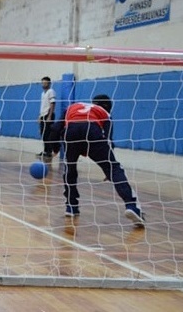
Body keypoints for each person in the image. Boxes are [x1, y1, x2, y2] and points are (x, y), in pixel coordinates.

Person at [60, 94, 144, 227]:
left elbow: (55, 128)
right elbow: (108, 140)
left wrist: (51, 150)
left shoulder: (73, 107)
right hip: (92, 131)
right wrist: (108, 168)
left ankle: (71, 207)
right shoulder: (105, 113)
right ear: (108, 107)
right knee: (114, 168)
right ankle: (132, 206)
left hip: (71, 132)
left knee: (70, 169)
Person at [38, 76, 60, 158]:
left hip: (48, 115)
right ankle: (45, 150)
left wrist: (50, 116)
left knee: (48, 134)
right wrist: (40, 116)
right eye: (42, 83)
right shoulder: (43, 93)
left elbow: (52, 103)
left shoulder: (51, 91)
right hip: (43, 115)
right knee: (43, 134)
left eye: (45, 82)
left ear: (49, 83)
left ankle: (49, 152)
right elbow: (43, 105)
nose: (43, 84)